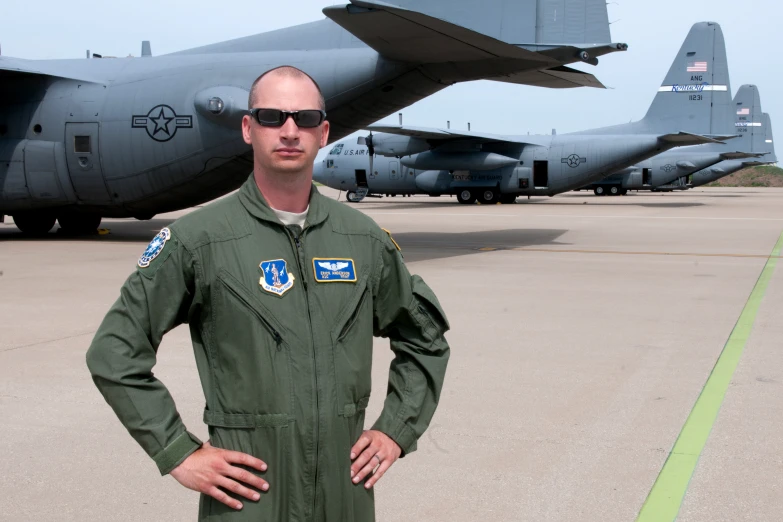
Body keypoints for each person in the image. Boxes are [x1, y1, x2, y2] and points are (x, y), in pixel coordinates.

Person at [86, 66, 450, 521]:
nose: (290, 130)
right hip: (249, 500)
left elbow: (425, 338)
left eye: (305, 117)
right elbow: (114, 353)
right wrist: (178, 451)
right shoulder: (199, 241)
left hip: (345, 498)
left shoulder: (365, 241)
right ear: (247, 128)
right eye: (272, 116)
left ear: (324, 132)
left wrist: (396, 429)